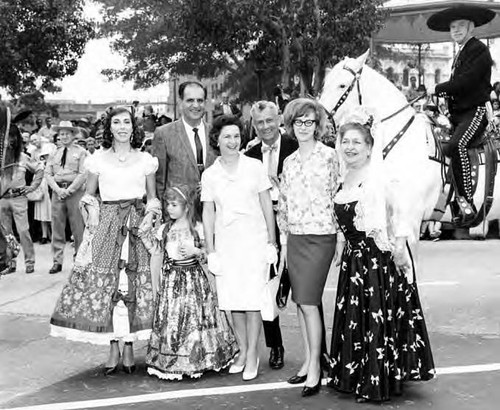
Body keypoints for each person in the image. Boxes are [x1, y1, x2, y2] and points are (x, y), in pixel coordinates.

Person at [328, 119, 435, 403]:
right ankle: (356, 373)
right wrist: (341, 245)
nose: (349, 147)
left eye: (356, 142)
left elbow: (401, 209)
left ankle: (376, 378)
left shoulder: (377, 177)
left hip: (377, 261)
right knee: (357, 319)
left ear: (369, 147)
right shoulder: (345, 176)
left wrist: (400, 246)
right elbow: (343, 220)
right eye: (345, 142)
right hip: (354, 262)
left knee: (374, 317)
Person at [50, 106, 161, 375]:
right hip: (107, 224)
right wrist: (90, 214)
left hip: (135, 224)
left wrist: (151, 214)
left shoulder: (146, 160)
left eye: (126, 122)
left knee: (132, 284)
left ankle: (129, 346)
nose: (122, 127)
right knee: (108, 284)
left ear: (133, 127)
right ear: (109, 128)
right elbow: (89, 196)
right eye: (116, 122)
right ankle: (112, 344)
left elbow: (153, 197)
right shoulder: (97, 160)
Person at [202, 115, 277, 382]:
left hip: (254, 241)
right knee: (233, 301)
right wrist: (210, 250)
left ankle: (253, 354)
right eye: (227, 137)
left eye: (236, 136)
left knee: (252, 300)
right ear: (217, 141)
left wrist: (272, 241)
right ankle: (243, 351)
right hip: (226, 243)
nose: (233, 141)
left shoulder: (254, 166)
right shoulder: (210, 174)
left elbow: (266, 203)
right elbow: (208, 211)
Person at [277, 98, 339, 397]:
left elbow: (338, 197)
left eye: (309, 122)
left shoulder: (329, 157)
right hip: (296, 238)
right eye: (298, 122)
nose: (303, 127)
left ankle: (316, 367)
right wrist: (283, 242)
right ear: (290, 125)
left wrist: (340, 238)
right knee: (301, 303)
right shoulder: (288, 162)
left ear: (318, 125)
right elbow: (284, 206)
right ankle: (307, 361)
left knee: (310, 301)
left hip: (322, 236)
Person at [143, 184, 237, 380]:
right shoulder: (164, 229)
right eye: (167, 204)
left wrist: (197, 252)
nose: (169, 208)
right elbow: (156, 254)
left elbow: (210, 255)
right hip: (172, 280)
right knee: (174, 320)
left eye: (174, 204)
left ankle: (201, 358)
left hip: (195, 280)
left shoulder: (198, 229)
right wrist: (155, 284)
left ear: (186, 206)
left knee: (196, 318)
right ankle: (173, 359)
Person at [426, 4, 495, 222]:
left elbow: (466, 82)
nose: (456, 30)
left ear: (471, 27)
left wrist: (438, 89)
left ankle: (466, 202)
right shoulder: (462, 52)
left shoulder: (479, 50)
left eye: (461, 26)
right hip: (458, 114)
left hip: (475, 112)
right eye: (453, 27)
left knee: (458, 145)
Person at [245, 100, 298, 370]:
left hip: (296, 225)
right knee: (265, 288)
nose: (265, 127)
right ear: (254, 126)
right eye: (259, 123)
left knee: (299, 281)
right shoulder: (250, 155)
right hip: (264, 226)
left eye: (269, 121)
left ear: (279, 120)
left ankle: (286, 280)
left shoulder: (296, 146)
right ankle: (275, 345)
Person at [153, 81, 217, 204]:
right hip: (180, 214)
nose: (196, 105)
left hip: (213, 212)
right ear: (180, 102)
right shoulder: (164, 134)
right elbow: (159, 181)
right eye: (190, 100)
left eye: (200, 100)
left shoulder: (215, 133)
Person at [44, 121, 87, 274]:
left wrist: (69, 190)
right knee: (57, 228)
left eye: (67, 133)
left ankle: (79, 261)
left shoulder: (81, 152)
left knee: (78, 228)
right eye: (61, 133)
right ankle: (57, 261)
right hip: (57, 192)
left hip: (74, 193)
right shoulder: (54, 153)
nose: (64, 136)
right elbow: (47, 173)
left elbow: (83, 173)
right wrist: (57, 189)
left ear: (73, 135)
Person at [0, 126, 43, 274]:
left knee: (23, 231)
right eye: (7, 137)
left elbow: (39, 168)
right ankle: (10, 263)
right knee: (7, 233)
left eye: (12, 137)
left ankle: (29, 261)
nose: (10, 140)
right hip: (2, 199)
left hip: (19, 198)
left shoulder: (23, 157)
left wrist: (33, 186)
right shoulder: (1, 158)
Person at [34, 144, 53, 244]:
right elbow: (36, 177)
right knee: (43, 214)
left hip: (52, 189)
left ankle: (53, 235)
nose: (46, 157)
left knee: (52, 213)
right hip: (42, 190)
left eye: (48, 155)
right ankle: (44, 235)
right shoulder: (40, 165)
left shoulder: (55, 165)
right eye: (45, 155)